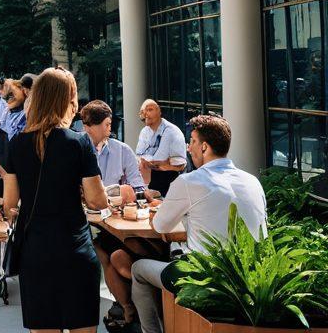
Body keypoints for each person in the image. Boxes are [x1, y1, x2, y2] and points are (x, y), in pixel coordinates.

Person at [131, 115, 267, 333]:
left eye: (192, 141)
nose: (188, 148)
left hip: (205, 278)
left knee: (138, 269)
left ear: (204, 147)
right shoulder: (253, 182)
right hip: (251, 278)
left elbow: (160, 226)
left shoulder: (189, 181)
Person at [3, 67, 108, 333]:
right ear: (67, 100)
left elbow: (10, 203)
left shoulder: (16, 144)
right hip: (74, 249)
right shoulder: (79, 143)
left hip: (35, 251)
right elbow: (98, 201)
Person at [80, 100, 149, 329]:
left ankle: (126, 306)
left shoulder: (122, 150)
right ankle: (127, 306)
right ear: (89, 126)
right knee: (101, 251)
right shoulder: (76, 149)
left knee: (112, 252)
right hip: (85, 219)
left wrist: (129, 194)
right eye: (107, 124)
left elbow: (138, 188)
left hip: (115, 220)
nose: (111, 129)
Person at [136, 100, 188, 196]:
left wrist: (158, 164)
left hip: (170, 179)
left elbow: (178, 163)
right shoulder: (144, 131)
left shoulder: (171, 131)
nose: (145, 114)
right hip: (151, 177)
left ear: (159, 112)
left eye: (149, 110)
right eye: (143, 111)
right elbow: (140, 156)